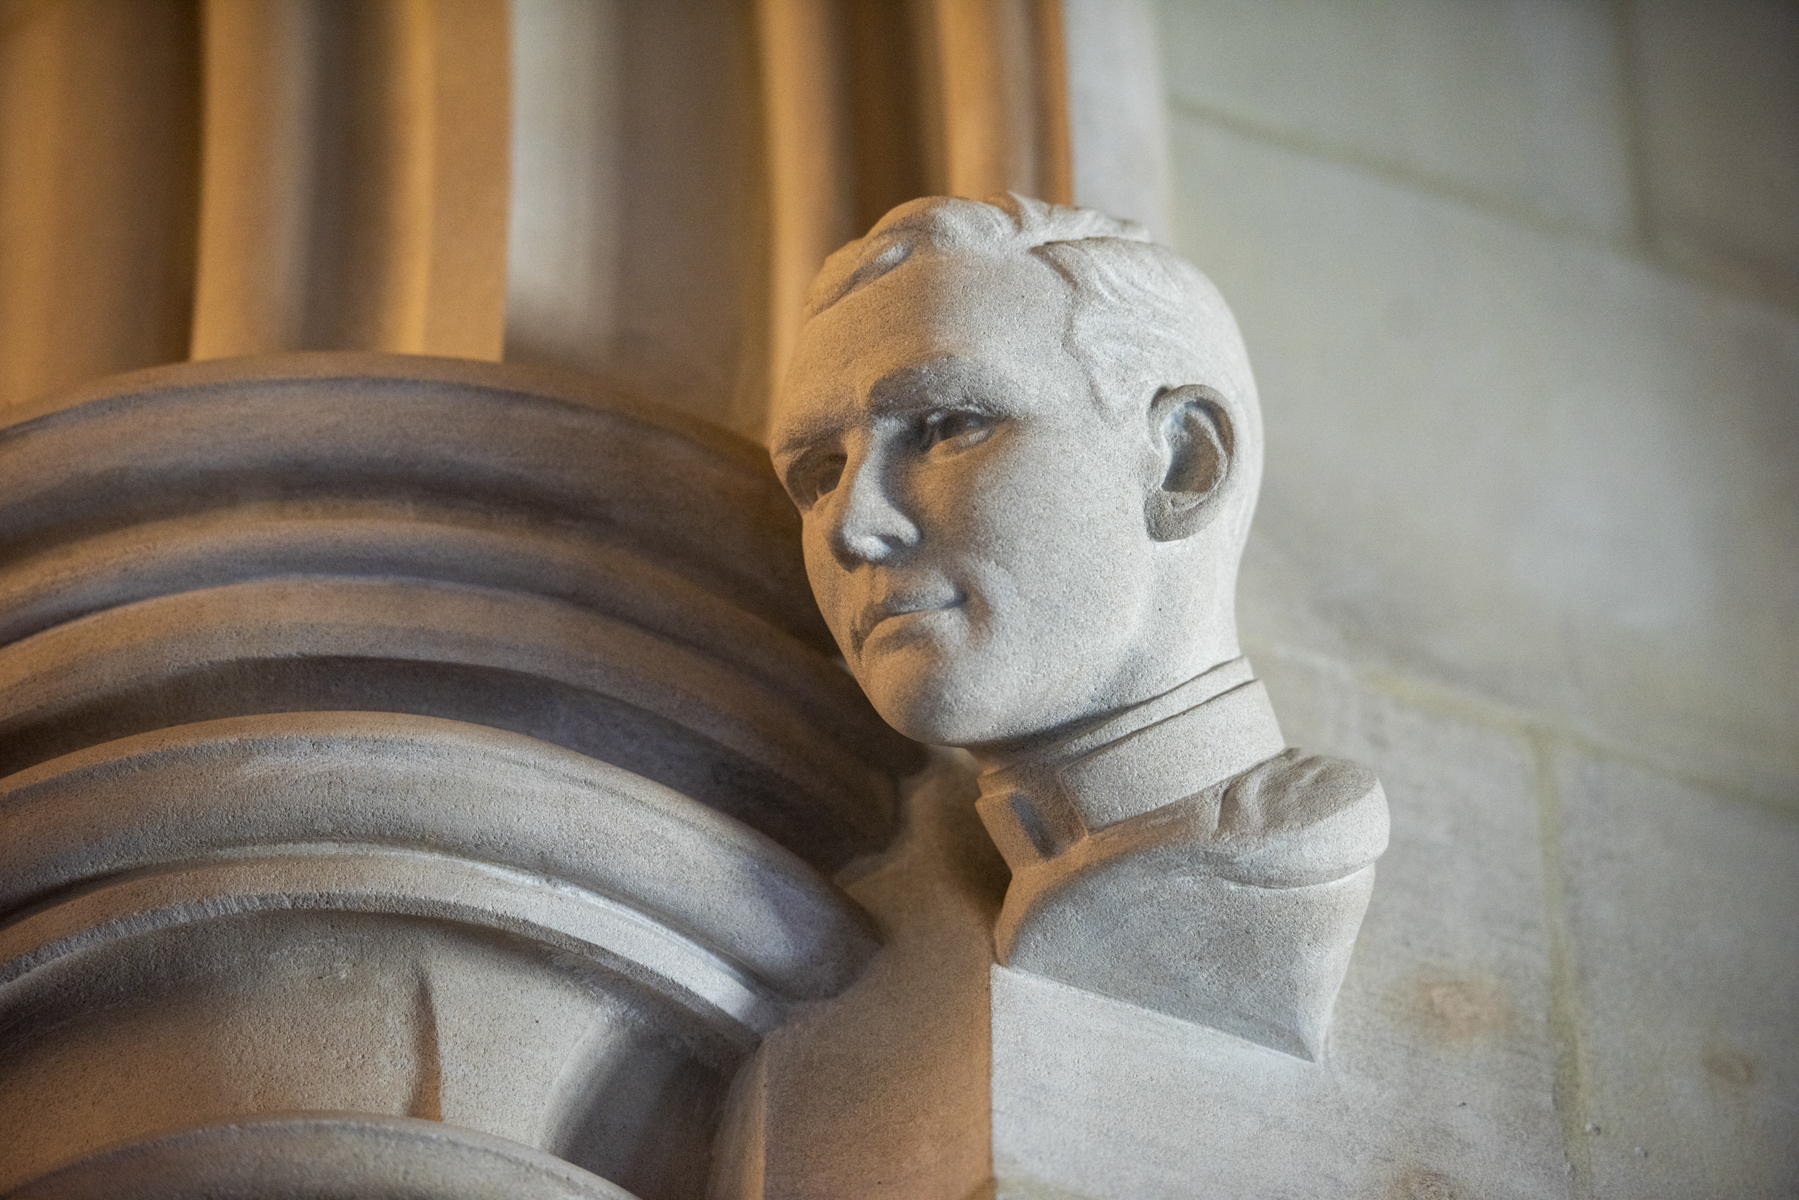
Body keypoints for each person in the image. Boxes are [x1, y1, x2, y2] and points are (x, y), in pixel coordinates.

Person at [770, 194, 1386, 1058]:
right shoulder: (945, 881)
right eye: (817, 473)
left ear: (1183, 462)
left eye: (948, 426)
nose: (851, 525)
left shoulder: (1281, 872)